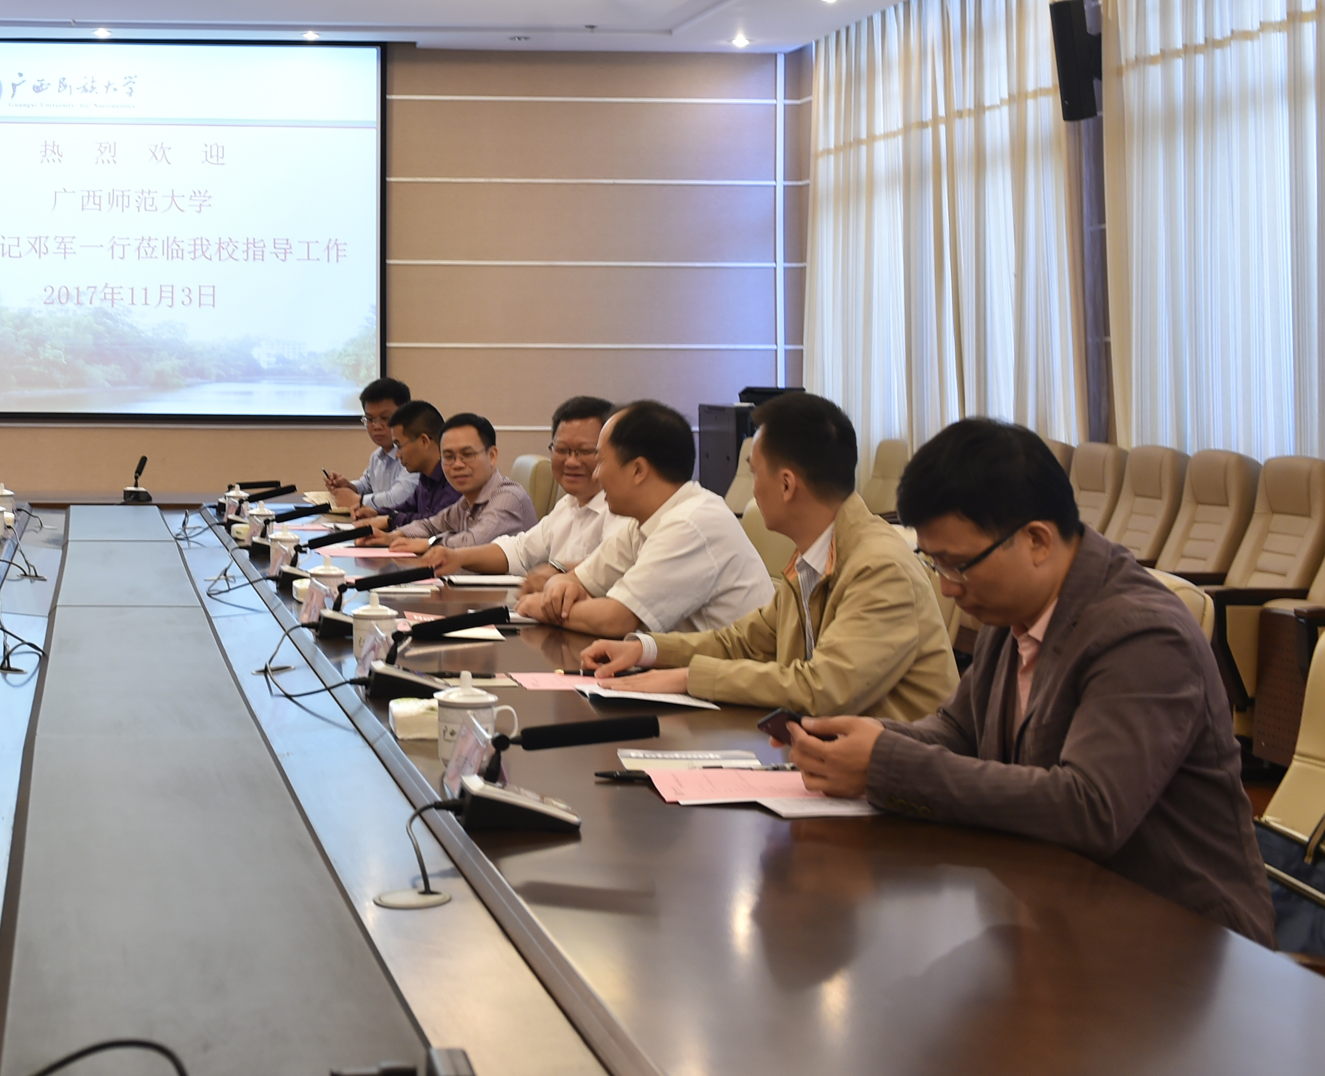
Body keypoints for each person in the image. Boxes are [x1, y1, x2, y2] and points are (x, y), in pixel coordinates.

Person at [785, 419, 1275, 944]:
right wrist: (860, 740)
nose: (948, 589)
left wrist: (887, 764)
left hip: (1178, 943)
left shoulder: (1143, 635)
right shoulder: (1013, 613)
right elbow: (958, 731)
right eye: (937, 565)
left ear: (1037, 540)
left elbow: (1089, 807)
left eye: (958, 566)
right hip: (1053, 915)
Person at [578, 391, 958, 718]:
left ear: (787, 485)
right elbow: (742, 643)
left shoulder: (879, 566)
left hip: (890, 773)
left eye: (755, 473)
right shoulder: (813, 557)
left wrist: (688, 678)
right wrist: (644, 649)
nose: (752, 489)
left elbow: (823, 687)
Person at [515, 401, 771, 635]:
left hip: (723, 670)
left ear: (638, 470)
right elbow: (577, 579)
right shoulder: (642, 522)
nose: (596, 475)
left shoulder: (691, 523)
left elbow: (615, 619)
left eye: (601, 461)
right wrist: (560, 586)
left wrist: (541, 607)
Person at [418, 395, 614, 581]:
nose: (571, 462)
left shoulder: (621, 513)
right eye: (562, 450)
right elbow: (520, 550)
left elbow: (611, 571)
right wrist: (458, 557)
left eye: (585, 451)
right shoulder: (567, 505)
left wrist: (557, 572)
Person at [375, 414, 534, 550]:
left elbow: (473, 543)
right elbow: (431, 525)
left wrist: (429, 544)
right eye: (449, 457)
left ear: (492, 456)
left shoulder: (508, 497)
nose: (457, 464)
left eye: (467, 454)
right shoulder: (466, 502)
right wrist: (393, 537)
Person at [351, 399, 453, 530]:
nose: (398, 455)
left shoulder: (453, 477)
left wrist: (390, 520)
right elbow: (408, 507)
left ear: (424, 441)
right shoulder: (426, 477)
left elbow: (437, 522)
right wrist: (377, 513)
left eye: (399, 446)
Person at [322, 378, 418, 513]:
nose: (376, 426)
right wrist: (349, 486)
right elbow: (367, 485)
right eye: (370, 419)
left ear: (405, 416)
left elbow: (397, 499)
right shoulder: (377, 456)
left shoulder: (413, 455)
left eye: (385, 418)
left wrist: (357, 500)